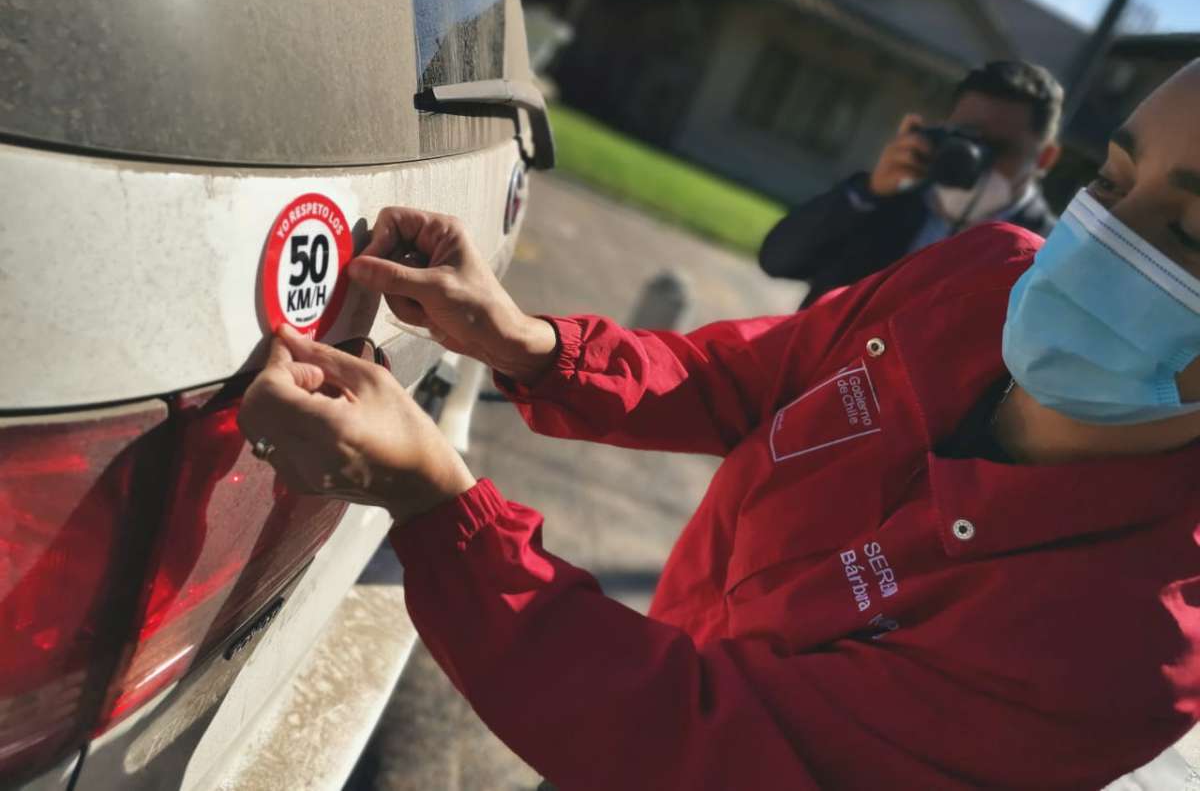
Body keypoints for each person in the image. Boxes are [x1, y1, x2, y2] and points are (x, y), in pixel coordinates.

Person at [240, 61, 1200, 790]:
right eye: (1113, 182)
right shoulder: (984, 274)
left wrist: (436, 503)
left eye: (1192, 235)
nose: (1106, 244)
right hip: (599, 698)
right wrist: (530, 343)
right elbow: (749, 377)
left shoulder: (1133, 647)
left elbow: (703, 745)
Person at [759, 60, 1063, 307]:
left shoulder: (1052, 259)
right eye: (964, 138)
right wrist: (869, 193)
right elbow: (777, 260)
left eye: (999, 149)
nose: (975, 158)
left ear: (1044, 158)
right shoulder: (888, 199)